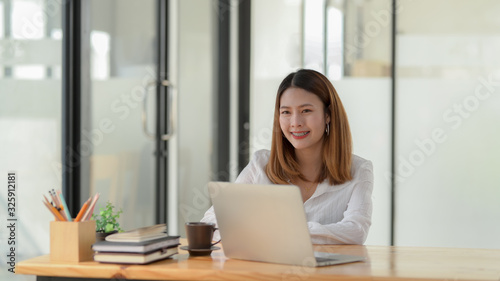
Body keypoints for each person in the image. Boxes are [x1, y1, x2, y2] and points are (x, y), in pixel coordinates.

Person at [201, 69, 373, 245]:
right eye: (286, 112)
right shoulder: (261, 165)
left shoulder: (359, 170)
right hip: (267, 270)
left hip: (327, 271)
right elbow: (211, 222)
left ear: (327, 115)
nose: (295, 122)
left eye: (306, 110)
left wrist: (275, 231)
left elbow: (356, 231)